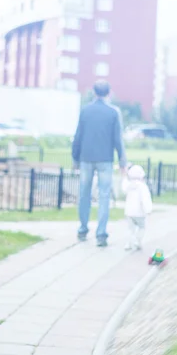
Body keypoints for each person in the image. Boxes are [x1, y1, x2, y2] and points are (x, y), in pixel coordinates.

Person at [72, 80, 127, 247]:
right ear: (109, 93)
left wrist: (75, 158)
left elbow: (78, 136)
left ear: (94, 93)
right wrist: (122, 161)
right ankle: (101, 234)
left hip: (86, 158)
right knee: (104, 196)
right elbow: (118, 139)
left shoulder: (85, 111)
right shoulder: (113, 112)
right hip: (105, 159)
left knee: (84, 194)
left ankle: (82, 229)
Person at [121, 164, 153, 251]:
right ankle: (138, 241)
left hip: (129, 212)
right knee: (141, 227)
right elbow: (145, 198)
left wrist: (124, 178)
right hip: (140, 213)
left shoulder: (129, 185)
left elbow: (123, 188)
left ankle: (129, 243)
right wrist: (148, 209)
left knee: (130, 229)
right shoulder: (143, 187)